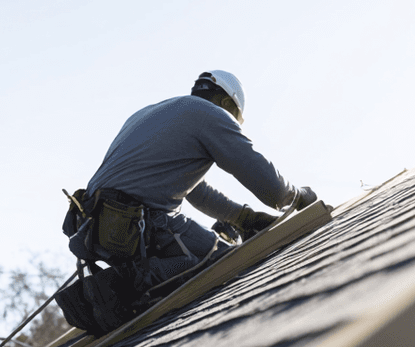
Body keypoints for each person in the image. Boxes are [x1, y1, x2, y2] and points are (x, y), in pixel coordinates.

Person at [74, 70, 316, 285]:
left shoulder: (156, 113)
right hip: (138, 224)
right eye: (235, 119)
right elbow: (268, 186)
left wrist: (245, 219)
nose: (233, 125)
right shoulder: (210, 114)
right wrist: (297, 195)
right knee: (228, 261)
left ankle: (133, 278)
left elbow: (197, 192)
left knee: (212, 250)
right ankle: (133, 283)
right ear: (225, 102)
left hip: (95, 229)